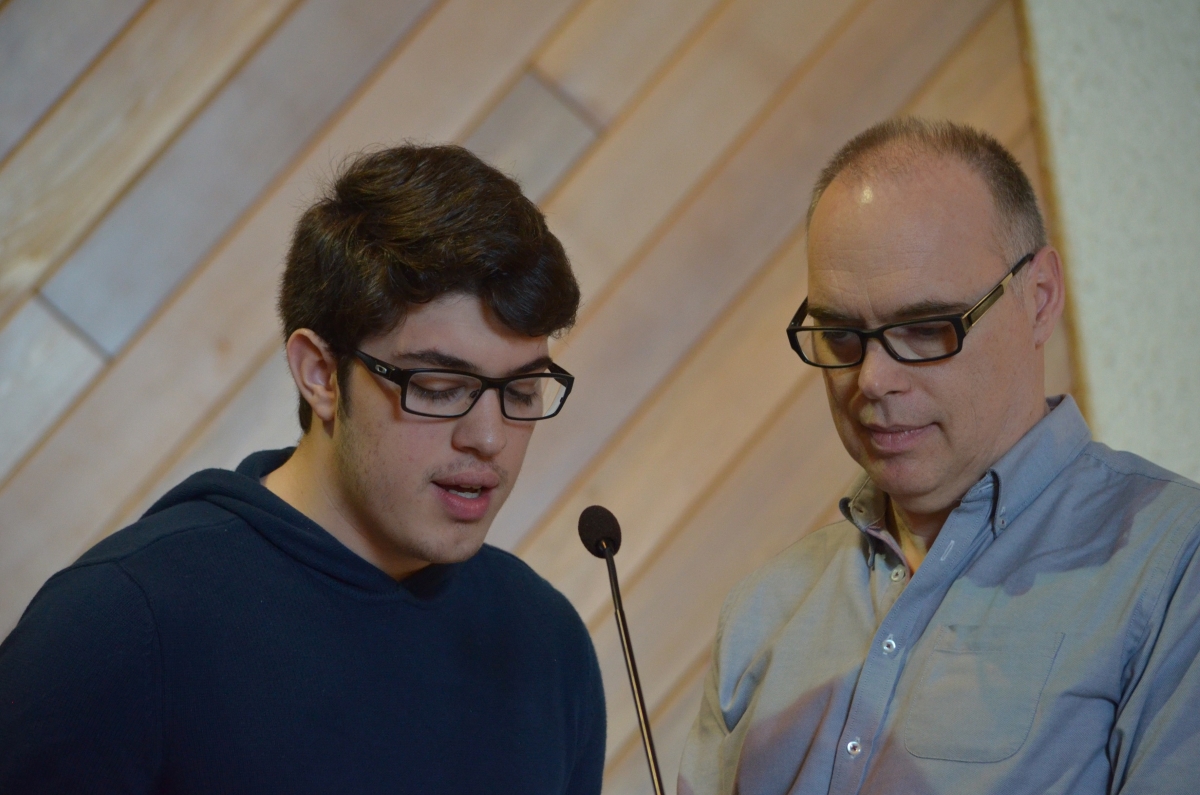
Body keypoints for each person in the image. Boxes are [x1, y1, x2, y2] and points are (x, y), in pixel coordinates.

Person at [0, 145, 606, 793]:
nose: (489, 437)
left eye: (522, 391)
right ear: (320, 374)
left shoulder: (547, 642)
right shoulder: (119, 623)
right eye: (439, 386)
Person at [678, 119, 1200, 794]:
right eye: (840, 334)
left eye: (926, 329)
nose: (872, 379)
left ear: (1040, 298)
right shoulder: (763, 611)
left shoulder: (1175, 564)